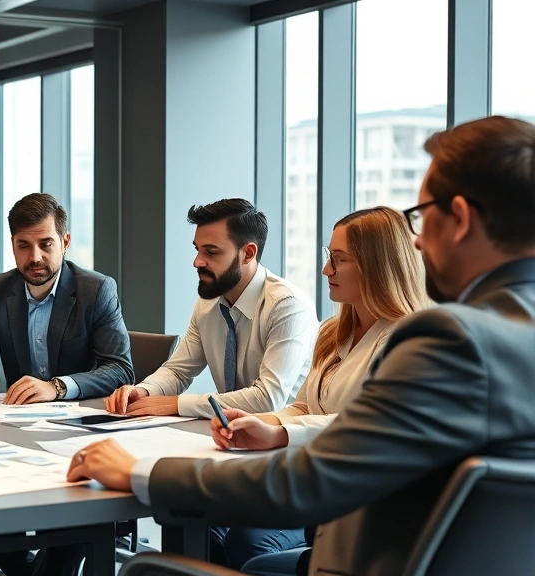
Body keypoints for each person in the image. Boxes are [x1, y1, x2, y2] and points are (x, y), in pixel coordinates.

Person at [67, 116, 535, 575]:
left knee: (148, 569)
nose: (415, 241)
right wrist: (275, 429)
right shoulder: (509, 333)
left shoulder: (451, 340)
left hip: (357, 561)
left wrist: (139, 473)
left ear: (459, 219)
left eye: (421, 216)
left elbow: (310, 481)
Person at [206, 206, 428, 570]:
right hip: (314, 482)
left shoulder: (409, 340)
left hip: (355, 504)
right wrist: (258, 422)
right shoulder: (333, 331)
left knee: (244, 540)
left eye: (339, 259)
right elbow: (304, 407)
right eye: (329, 257)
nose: (327, 270)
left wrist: (276, 433)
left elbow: (366, 425)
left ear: (378, 265)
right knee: (209, 526)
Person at [0, 192, 134, 576]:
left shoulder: (96, 290)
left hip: (81, 435)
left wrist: (58, 386)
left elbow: (120, 369)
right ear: (13, 246)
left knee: (69, 517)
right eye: (24, 246)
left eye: (46, 244)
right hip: (18, 434)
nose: (35, 257)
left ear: (64, 242)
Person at [104, 198, 318, 418]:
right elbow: (178, 371)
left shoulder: (287, 306)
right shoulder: (209, 301)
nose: (197, 262)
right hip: (230, 433)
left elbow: (268, 399)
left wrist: (176, 404)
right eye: (197, 250)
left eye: (211, 252)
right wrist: (143, 391)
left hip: (285, 439)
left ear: (248, 253)